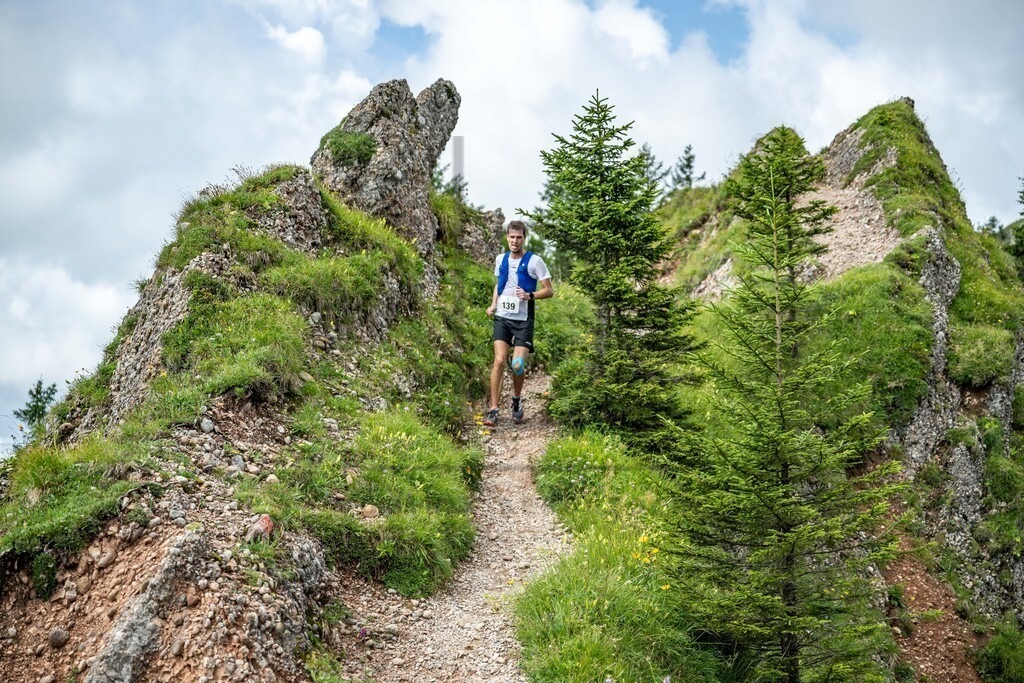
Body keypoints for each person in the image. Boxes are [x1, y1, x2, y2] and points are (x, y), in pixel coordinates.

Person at [484, 220, 553, 426]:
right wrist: (493, 304)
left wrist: (530, 295)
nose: (515, 241)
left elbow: (549, 290)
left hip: (523, 320)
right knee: (498, 360)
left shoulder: (535, 261)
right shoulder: (500, 259)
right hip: (503, 317)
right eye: (512, 237)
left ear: (524, 238)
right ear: (507, 238)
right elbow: (500, 285)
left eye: (519, 237)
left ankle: (516, 399)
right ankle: (493, 409)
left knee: (517, 365)